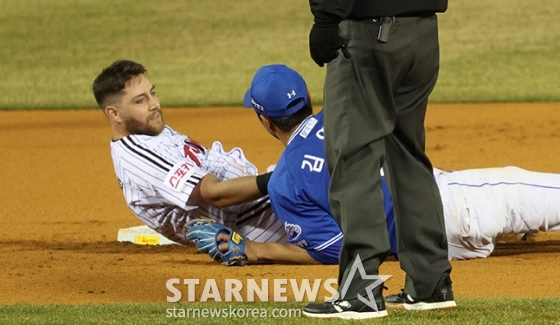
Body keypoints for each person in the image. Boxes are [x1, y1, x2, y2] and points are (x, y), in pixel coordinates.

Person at [303, 0, 454, 318]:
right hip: (423, 34)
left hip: (370, 35)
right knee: (409, 155)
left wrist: (327, 20)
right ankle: (431, 283)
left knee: (353, 157)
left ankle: (361, 293)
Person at [92, 59, 288, 247]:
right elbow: (213, 193)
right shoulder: (138, 156)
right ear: (114, 113)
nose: (154, 104)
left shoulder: (149, 130)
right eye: (140, 101)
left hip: (260, 206)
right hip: (255, 223)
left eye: (152, 93)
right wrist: (282, 179)